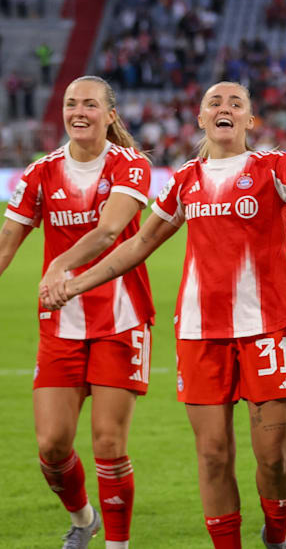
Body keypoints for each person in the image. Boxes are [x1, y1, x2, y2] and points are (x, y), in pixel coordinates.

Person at [43, 81, 286, 549]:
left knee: (273, 456)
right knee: (213, 454)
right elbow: (139, 243)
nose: (225, 108)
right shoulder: (184, 180)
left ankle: (277, 536)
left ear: (249, 120)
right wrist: (75, 283)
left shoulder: (274, 166)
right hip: (200, 334)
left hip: (266, 329)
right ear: (201, 118)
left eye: (236, 103)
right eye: (214, 103)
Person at [0, 75, 152, 549]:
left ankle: (117, 545)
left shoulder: (131, 165)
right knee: (52, 447)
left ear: (110, 115)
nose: (78, 112)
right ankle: (84, 519)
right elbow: (6, 244)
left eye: (89, 104)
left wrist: (59, 265)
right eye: (71, 104)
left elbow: (109, 231)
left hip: (121, 319)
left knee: (108, 443)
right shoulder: (40, 173)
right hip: (60, 324)